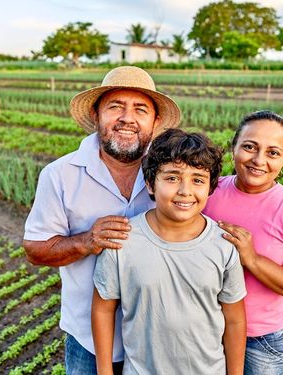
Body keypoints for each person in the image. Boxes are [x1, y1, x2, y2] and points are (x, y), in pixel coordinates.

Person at [22, 66, 182, 374]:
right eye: (115, 107)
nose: (127, 118)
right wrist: (87, 241)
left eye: (140, 109)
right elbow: (35, 250)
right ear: (97, 115)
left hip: (157, 338)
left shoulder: (172, 174)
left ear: (155, 121)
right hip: (88, 341)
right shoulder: (60, 175)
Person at [91, 129, 247, 375]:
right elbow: (103, 309)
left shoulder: (223, 245)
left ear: (210, 188)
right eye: (173, 178)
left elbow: (235, 320)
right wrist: (104, 371)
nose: (185, 190)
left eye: (197, 180)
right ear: (151, 184)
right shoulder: (123, 240)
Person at [202, 110, 283, 375]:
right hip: (204, 331)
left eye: (273, 153)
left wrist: (252, 259)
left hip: (260, 342)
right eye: (249, 146)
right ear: (233, 147)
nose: (259, 160)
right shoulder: (206, 194)